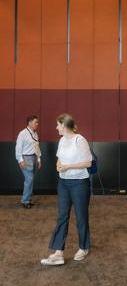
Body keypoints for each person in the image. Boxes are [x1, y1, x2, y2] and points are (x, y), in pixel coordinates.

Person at [41, 113, 92, 266]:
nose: (56, 128)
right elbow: (59, 157)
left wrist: (68, 166)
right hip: (63, 183)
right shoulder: (62, 140)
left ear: (64, 125)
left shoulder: (80, 140)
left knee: (81, 217)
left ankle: (83, 247)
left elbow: (88, 163)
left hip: (79, 183)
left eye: (57, 125)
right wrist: (59, 164)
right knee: (62, 216)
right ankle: (58, 253)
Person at [15, 115, 42, 209]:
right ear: (29, 122)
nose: (37, 124)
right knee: (29, 180)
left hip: (34, 157)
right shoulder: (22, 133)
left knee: (30, 180)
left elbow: (37, 148)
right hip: (26, 158)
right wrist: (20, 161)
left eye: (37, 122)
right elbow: (18, 148)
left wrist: (39, 160)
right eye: (36, 122)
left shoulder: (35, 134)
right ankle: (25, 201)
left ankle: (28, 199)